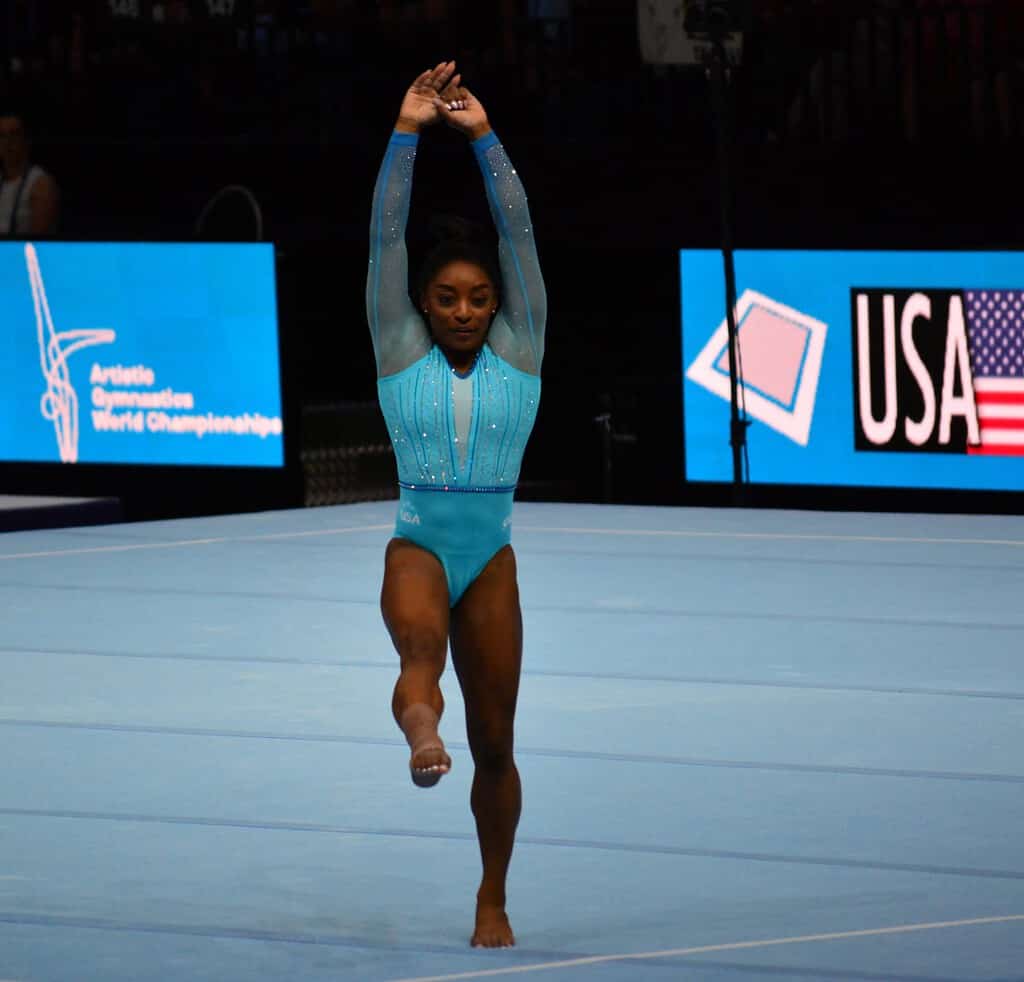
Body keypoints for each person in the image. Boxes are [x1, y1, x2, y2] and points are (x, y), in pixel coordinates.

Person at [365, 60, 546, 948]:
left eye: (479, 299)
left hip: (495, 556)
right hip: (422, 542)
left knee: (502, 743)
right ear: (423, 307)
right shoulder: (400, 347)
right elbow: (386, 242)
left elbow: (518, 232)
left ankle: (493, 895)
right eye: (448, 299)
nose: (466, 311)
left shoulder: (522, 343)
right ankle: (420, 728)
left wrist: (483, 139)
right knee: (419, 649)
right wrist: (407, 135)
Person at [0, 107, 60, 237]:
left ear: (26, 139)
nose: (7, 143)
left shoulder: (40, 184)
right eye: (2, 136)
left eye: (13, 135)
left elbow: (38, 242)